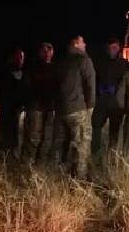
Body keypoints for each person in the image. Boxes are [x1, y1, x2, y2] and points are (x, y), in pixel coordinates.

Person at [54, 35, 96, 178]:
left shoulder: (60, 61)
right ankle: (80, 180)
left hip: (61, 110)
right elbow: (90, 85)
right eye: (82, 42)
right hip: (78, 109)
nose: (85, 44)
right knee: (82, 146)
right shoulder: (84, 60)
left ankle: (61, 173)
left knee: (63, 144)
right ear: (76, 44)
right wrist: (90, 107)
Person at [23, 42, 59, 163]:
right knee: (33, 137)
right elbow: (26, 87)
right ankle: (28, 162)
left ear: (53, 53)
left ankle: (41, 163)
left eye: (49, 50)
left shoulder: (56, 68)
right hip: (36, 107)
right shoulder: (32, 68)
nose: (47, 53)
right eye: (44, 51)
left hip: (50, 107)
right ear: (39, 53)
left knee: (47, 138)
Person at [92, 37, 128, 155]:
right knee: (96, 128)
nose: (112, 50)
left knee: (114, 131)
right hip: (101, 102)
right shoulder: (98, 63)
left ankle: (112, 155)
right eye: (110, 47)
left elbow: (127, 84)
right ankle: (95, 154)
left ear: (119, 48)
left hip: (115, 104)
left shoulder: (124, 64)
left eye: (115, 47)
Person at [0, 48, 26, 160]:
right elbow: (8, 92)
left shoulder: (19, 72)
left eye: (22, 57)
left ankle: (9, 153)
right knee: (7, 131)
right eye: (20, 57)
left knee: (13, 132)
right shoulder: (7, 72)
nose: (22, 59)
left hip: (14, 108)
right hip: (7, 107)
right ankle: (4, 153)